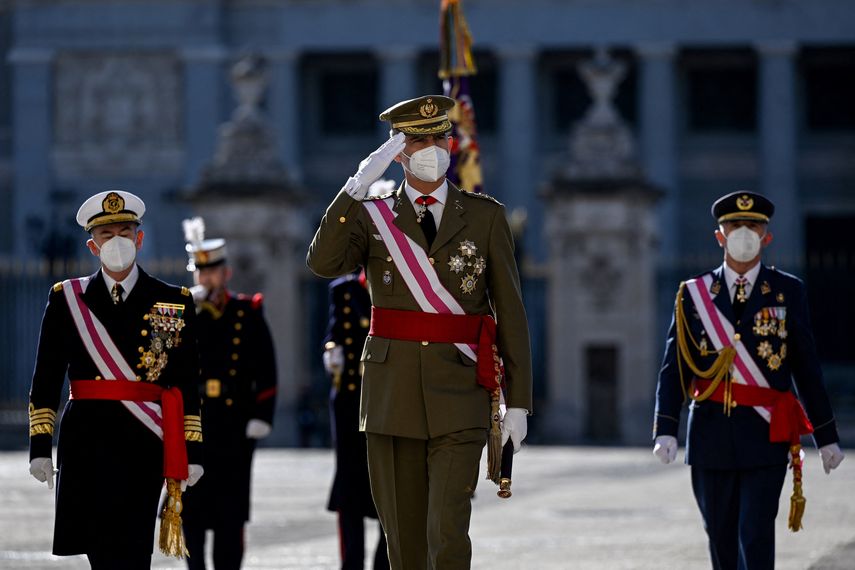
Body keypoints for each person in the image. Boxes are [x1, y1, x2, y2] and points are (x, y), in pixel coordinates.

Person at [307, 95, 533, 570]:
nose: (432, 147)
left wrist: (519, 401)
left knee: (446, 532)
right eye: (418, 139)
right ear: (399, 150)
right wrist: (356, 187)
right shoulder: (373, 217)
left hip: (461, 393)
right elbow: (323, 263)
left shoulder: (485, 215)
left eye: (438, 137)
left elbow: (510, 312)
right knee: (404, 542)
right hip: (392, 399)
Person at [652, 191, 845, 569]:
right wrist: (666, 428)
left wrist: (826, 435)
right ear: (719, 236)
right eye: (734, 226)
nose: (744, 232)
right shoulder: (693, 295)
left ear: (766, 236)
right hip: (710, 435)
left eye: (753, 225)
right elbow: (674, 366)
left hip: (764, 435)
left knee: (755, 539)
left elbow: (805, 367)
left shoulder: (788, 291)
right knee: (721, 542)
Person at [27, 190, 205, 569]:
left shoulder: (173, 300)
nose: (117, 242)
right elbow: (45, 377)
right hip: (85, 442)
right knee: (99, 551)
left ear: (139, 239)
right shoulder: (67, 299)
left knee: (133, 549)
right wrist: (40, 446)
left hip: (143, 441)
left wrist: (193, 451)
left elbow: (188, 380)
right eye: (107, 235)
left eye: (125, 232)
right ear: (93, 246)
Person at [179, 218, 278, 570]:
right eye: (200, 272)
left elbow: (266, 366)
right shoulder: (184, 313)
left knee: (230, 513)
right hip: (195, 425)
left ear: (226, 274)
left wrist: (262, 415)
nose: (206, 279)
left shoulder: (246, 312)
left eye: (212, 272)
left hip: (235, 426)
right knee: (192, 512)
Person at [322, 270, 389, 570]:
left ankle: (382, 561)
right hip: (350, 400)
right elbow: (334, 331)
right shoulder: (343, 290)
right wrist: (332, 350)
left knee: (389, 486)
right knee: (349, 486)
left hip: (388, 399)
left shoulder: (398, 283)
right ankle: (351, 562)